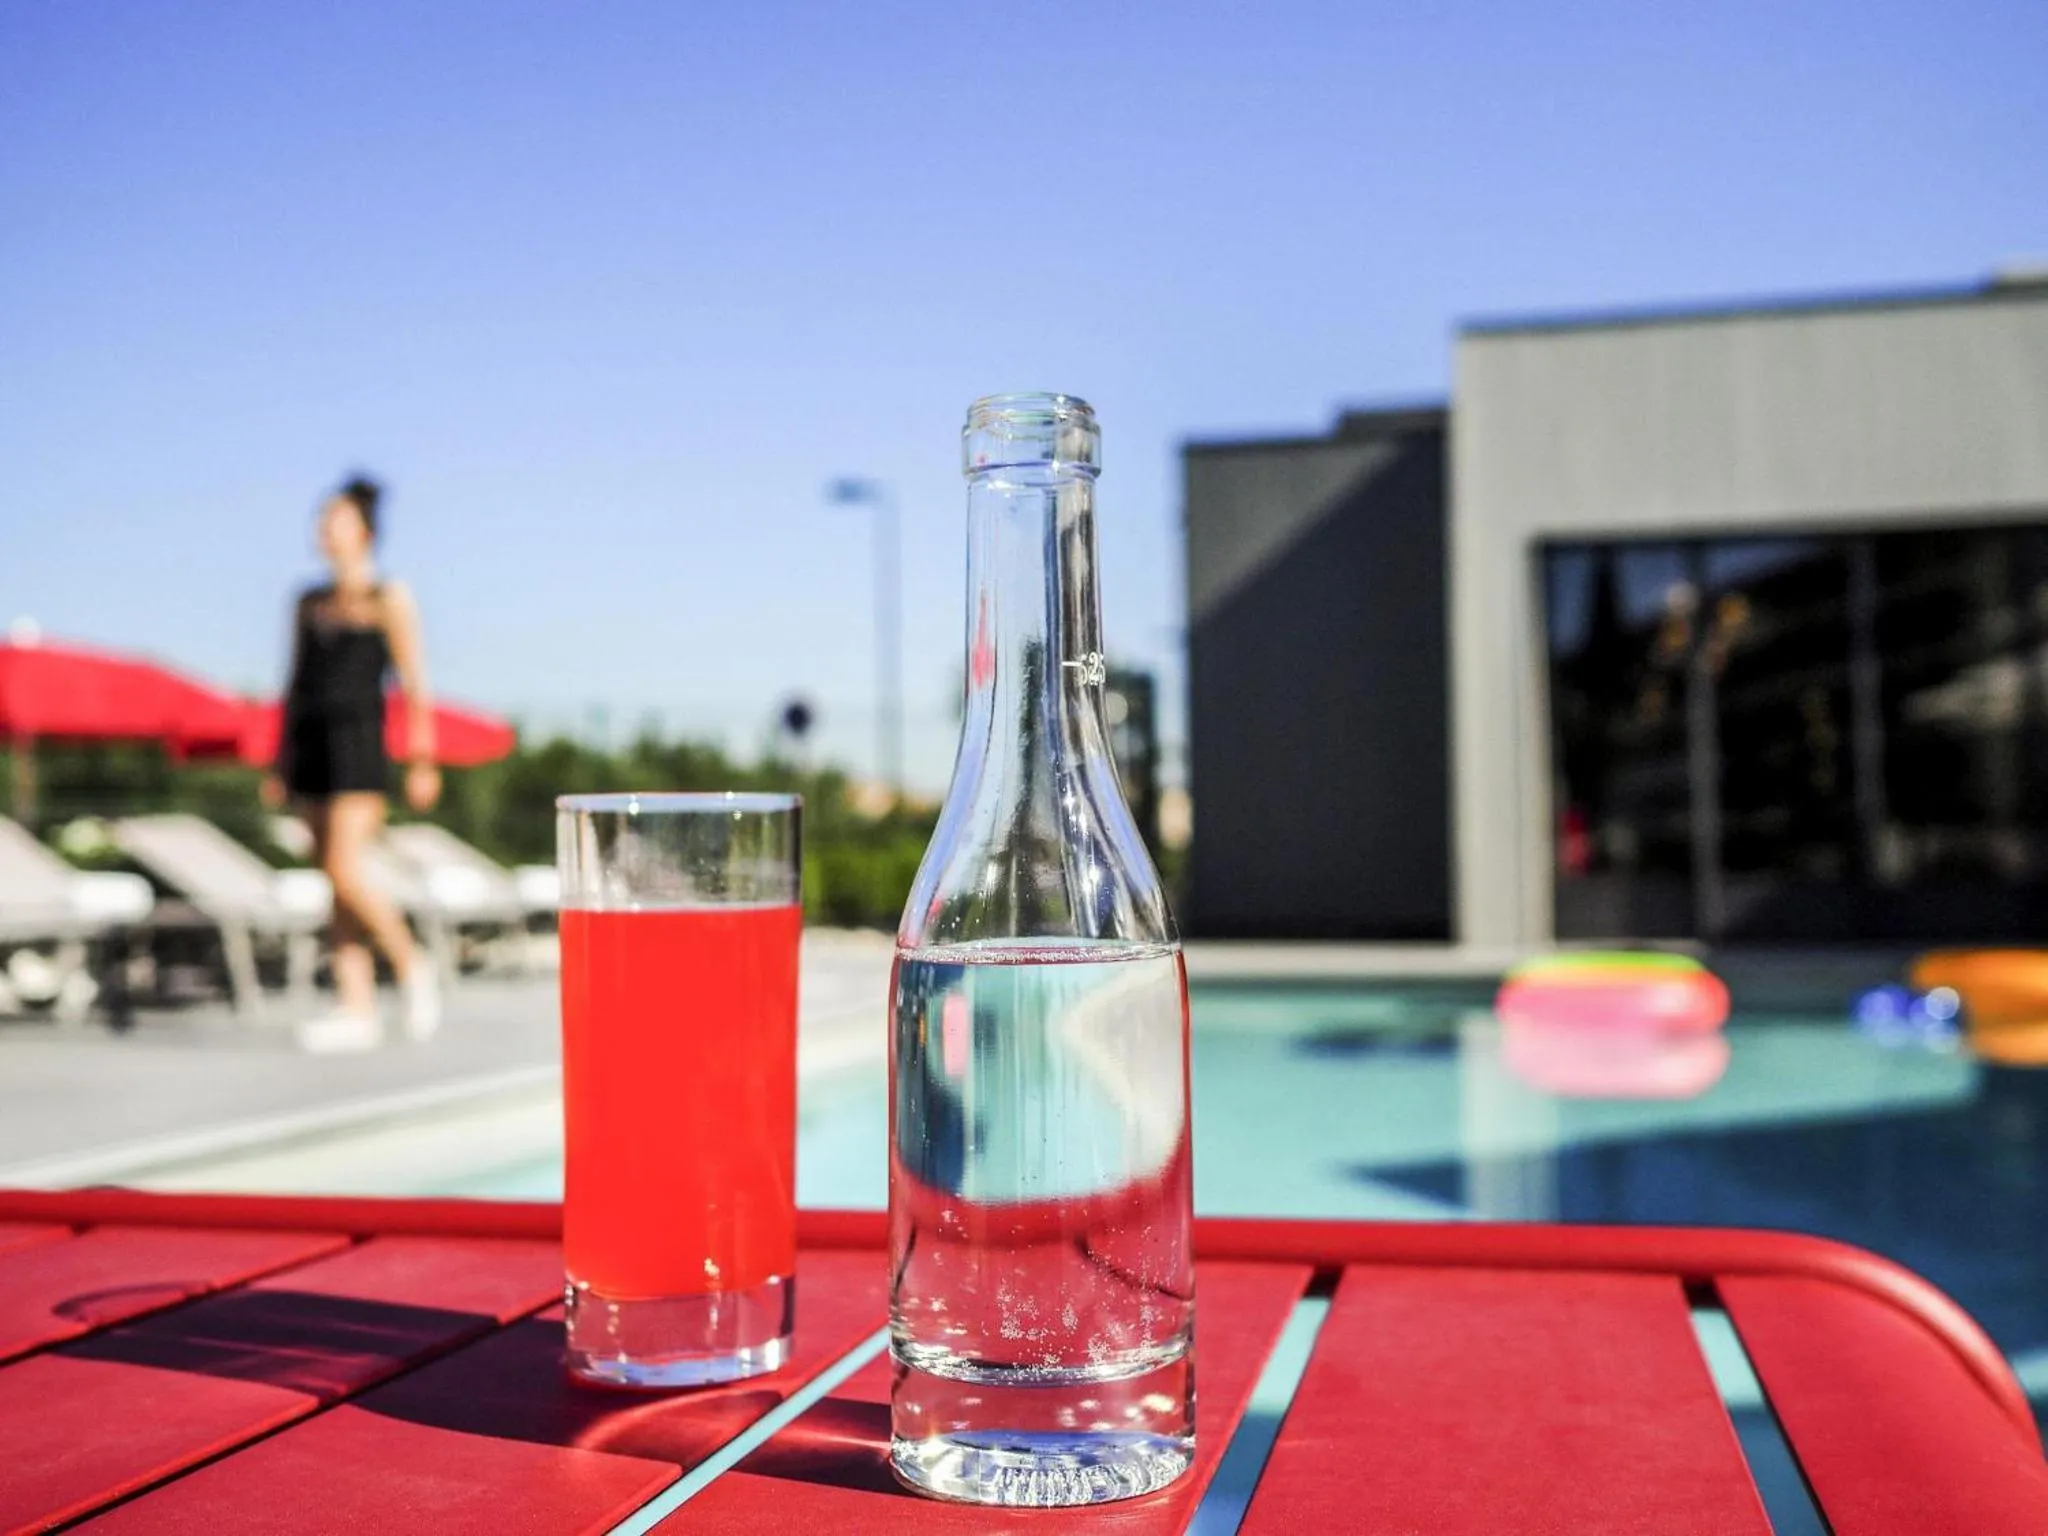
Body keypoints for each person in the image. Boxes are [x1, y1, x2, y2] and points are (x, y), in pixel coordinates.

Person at [264, 475, 443, 1052]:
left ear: (363, 532)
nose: (324, 530)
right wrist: (280, 760)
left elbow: (415, 684)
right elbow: (293, 683)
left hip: (360, 745)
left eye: (335, 519)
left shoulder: (388, 598)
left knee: (346, 868)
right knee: (332, 883)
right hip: (311, 746)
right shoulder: (307, 602)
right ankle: (356, 1007)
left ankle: (412, 963)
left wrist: (422, 758)